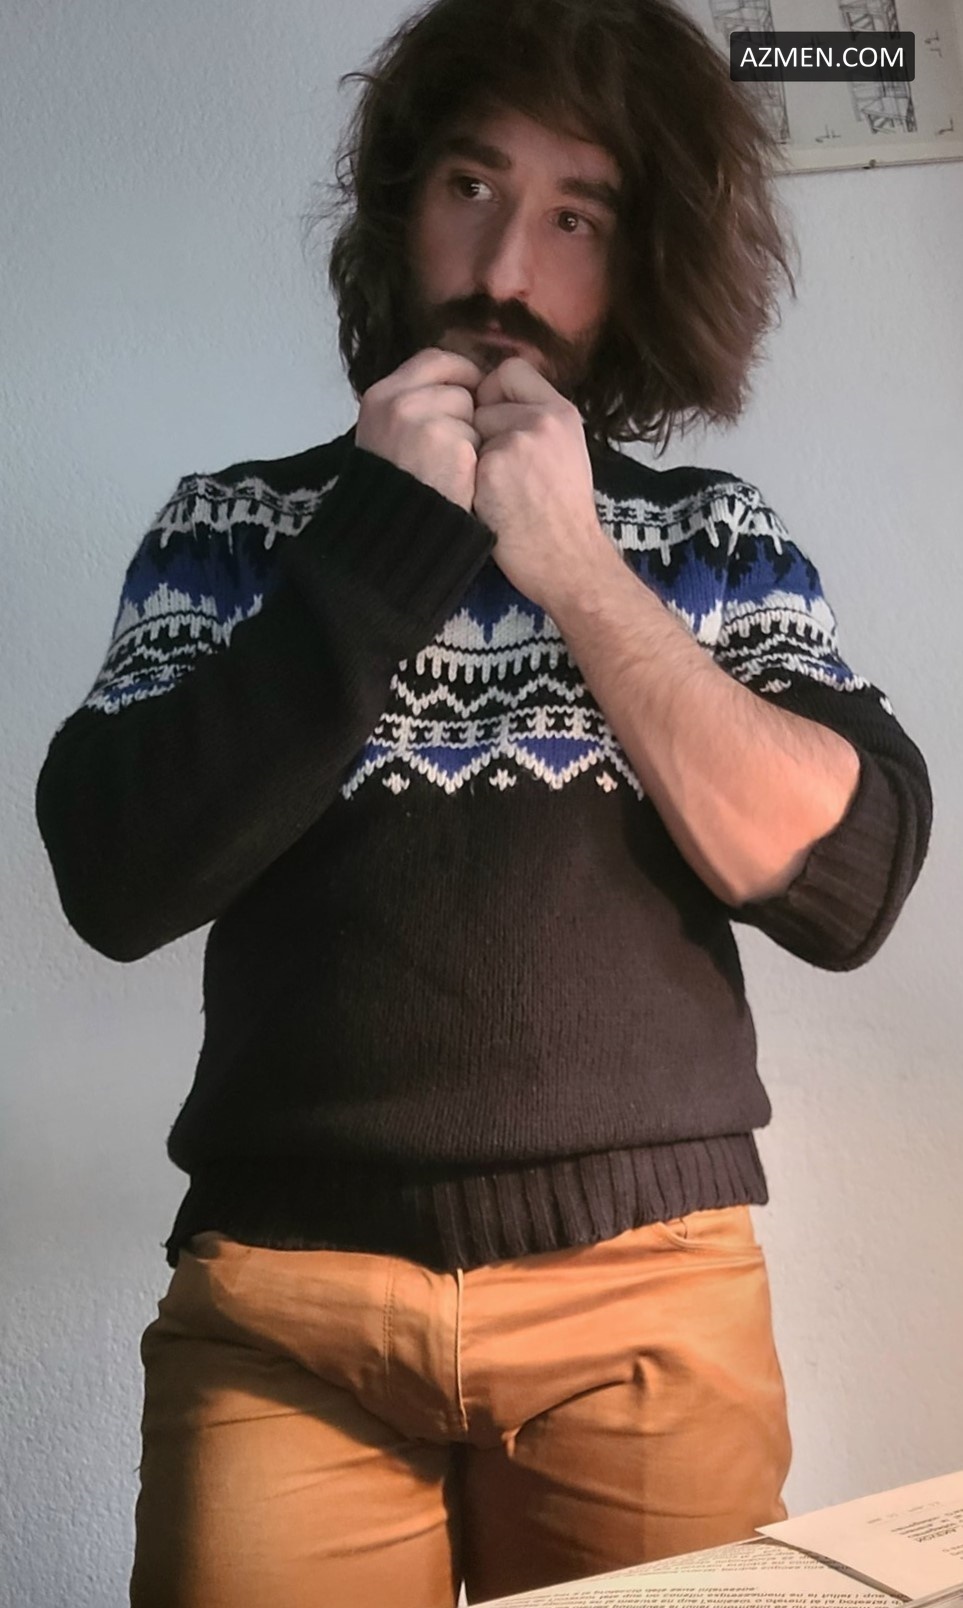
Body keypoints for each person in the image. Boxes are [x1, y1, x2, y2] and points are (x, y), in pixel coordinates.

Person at [35, 0, 932, 1604]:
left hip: (648, 1307)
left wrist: (577, 563)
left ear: (641, 262)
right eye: (472, 187)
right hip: (280, 1315)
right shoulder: (227, 531)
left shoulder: (713, 538)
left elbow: (847, 879)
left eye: (576, 216)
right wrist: (380, 544)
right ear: (401, 209)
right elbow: (115, 874)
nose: (506, 271)